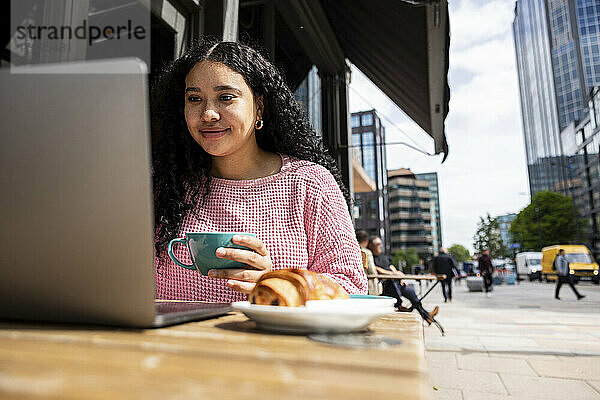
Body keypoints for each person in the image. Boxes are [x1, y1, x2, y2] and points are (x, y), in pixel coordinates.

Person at [151, 39, 367, 301]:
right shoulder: (163, 185)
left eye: (226, 97)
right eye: (194, 98)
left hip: (276, 342)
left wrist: (277, 282)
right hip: (174, 341)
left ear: (259, 107)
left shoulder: (311, 184)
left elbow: (352, 286)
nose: (207, 113)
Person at [368, 236, 438, 324]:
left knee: (411, 292)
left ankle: (426, 315)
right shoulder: (369, 257)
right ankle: (403, 307)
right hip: (386, 285)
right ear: (371, 245)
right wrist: (392, 274)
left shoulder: (383, 256)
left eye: (381, 243)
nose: (380, 246)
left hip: (396, 282)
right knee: (392, 285)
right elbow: (376, 269)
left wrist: (398, 275)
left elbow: (391, 266)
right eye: (378, 244)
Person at [356, 230, 382, 295]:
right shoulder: (367, 252)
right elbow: (371, 270)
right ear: (366, 241)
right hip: (369, 285)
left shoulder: (352, 250)